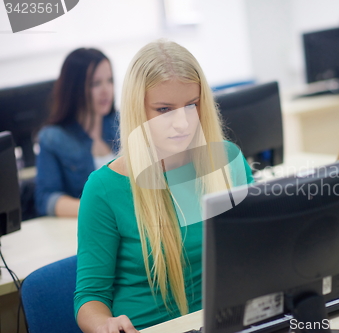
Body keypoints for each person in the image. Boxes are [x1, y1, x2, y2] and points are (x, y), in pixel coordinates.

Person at [74, 39, 254, 332]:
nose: (182, 123)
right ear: (138, 110)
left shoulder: (226, 162)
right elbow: (90, 298)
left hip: (227, 323)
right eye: (164, 109)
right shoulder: (104, 188)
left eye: (191, 105)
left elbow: (259, 249)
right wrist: (106, 324)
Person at [35, 48, 119, 217]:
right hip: (91, 227)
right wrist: (99, 210)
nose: (106, 90)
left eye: (109, 81)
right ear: (74, 88)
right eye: (95, 83)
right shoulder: (53, 138)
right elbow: (46, 199)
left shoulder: (121, 125)